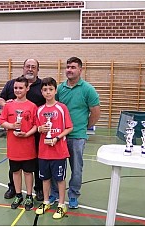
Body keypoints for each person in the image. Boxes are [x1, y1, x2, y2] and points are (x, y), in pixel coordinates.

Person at [50, 57, 100, 209]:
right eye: (67, 67)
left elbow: (96, 113)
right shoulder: (59, 89)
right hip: (59, 135)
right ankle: (54, 193)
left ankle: (73, 195)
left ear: (80, 70)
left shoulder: (88, 89)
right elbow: (53, 107)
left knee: (76, 167)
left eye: (73, 67)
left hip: (77, 136)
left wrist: (83, 127)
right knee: (56, 166)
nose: (69, 70)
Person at [0, 59, 45, 201]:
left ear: (38, 69)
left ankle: (38, 189)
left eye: (33, 67)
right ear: (23, 68)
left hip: (35, 132)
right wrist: (8, 105)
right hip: (15, 135)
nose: (30, 69)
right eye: (27, 66)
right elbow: (0, 99)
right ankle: (13, 188)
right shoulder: (11, 83)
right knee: (15, 165)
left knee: (35, 163)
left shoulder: (42, 85)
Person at [35, 77, 73, 219]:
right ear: (41, 92)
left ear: (55, 90)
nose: (48, 92)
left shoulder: (62, 108)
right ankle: (46, 201)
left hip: (59, 152)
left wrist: (57, 138)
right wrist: (40, 128)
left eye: (50, 89)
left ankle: (61, 204)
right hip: (44, 152)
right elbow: (37, 127)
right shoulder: (39, 110)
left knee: (60, 179)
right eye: (45, 90)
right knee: (45, 179)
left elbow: (69, 127)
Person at [0, 76, 38, 210]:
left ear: (27, 88)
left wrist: (27, 134)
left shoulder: (32, 107)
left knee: (28, 172)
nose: (18, 90)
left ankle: (28, 196)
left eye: (21, 87)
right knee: (15, 172)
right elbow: (2, 121)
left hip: (28, 147)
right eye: (16, 88)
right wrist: (11, 125)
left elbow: (36, 125)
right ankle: (18, 194)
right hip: (13, 147)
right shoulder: (8, 105)